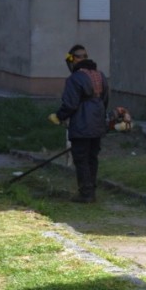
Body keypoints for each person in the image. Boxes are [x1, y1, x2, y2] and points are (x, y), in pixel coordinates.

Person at [48, 44, 109, 203]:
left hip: (81, 124)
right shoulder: (100, 76)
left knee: (81, 159)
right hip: (97, 124)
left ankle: (86, 194)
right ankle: (91, 191)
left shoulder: (74, 79)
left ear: (73, 60)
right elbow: (105, 100)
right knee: (92, 158)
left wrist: (59, 116)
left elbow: (70, 104)